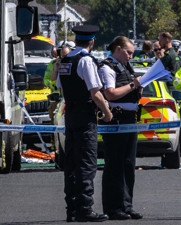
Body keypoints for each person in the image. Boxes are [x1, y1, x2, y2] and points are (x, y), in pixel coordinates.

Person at [57, 24, 112, 222]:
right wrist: (106, 112)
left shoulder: (66, 59)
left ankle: (72, 208)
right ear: (92, 41)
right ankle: (84, 208)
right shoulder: (86, 61)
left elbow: (62, 88)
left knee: (71, 163)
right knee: (87, 163)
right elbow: (95, 92)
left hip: (70, 113)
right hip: (84, 115)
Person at [98, 36, 143, 220]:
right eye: (129, 52)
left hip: (129, 120)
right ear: (118, 49)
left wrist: (137, 89)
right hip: (116, 120)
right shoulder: (107, 67)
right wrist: (134, 85)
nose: (131, 56)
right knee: (114, 165)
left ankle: (126, 204)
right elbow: (110, 93)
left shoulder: (125, 66)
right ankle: (113, 207)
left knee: (128, 165)